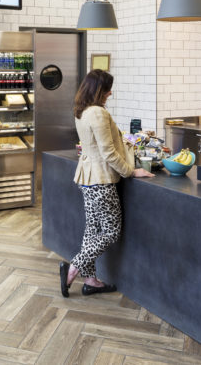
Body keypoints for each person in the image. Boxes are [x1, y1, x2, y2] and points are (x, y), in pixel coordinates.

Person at [59, 69, 153, 298]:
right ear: (99, 90)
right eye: (108, 88)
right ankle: (74, 267)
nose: (110, 92)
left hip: (86, 178)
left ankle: (91, 281)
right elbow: (109, 153)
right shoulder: (98, 113)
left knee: (92, 230)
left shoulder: (80, 111)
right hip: (100, 179)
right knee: (111, 231)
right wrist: (131, 172)